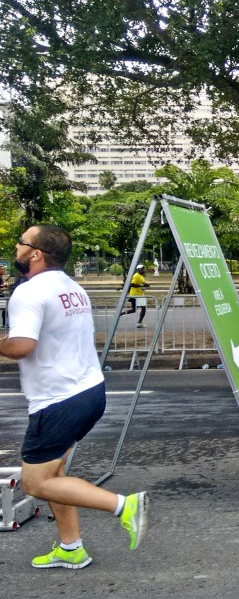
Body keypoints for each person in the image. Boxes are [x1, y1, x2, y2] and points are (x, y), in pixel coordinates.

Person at [1, 224, 148, 569]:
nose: (16, 247)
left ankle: (124, 506)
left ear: (36, 253)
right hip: (89, 392)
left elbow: (22, 346)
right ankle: (71, 548)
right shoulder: (73, 288)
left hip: (58, 401)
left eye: (21, 242)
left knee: (36, 483)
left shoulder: (29, 291)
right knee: (55, 475)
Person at [120, 263, 148, 327]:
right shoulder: (136, 275)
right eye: (141, 269)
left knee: (134, 309)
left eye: (143, 269)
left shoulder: (141, 276)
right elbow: (132, 284)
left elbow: (141, 283)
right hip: (135, 295)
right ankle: (139, 323)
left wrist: (145, 284)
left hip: (140, 294)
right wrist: (142, 285)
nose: (143, 270)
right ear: (138, 269)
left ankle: (120, 314)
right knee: (143, 308)